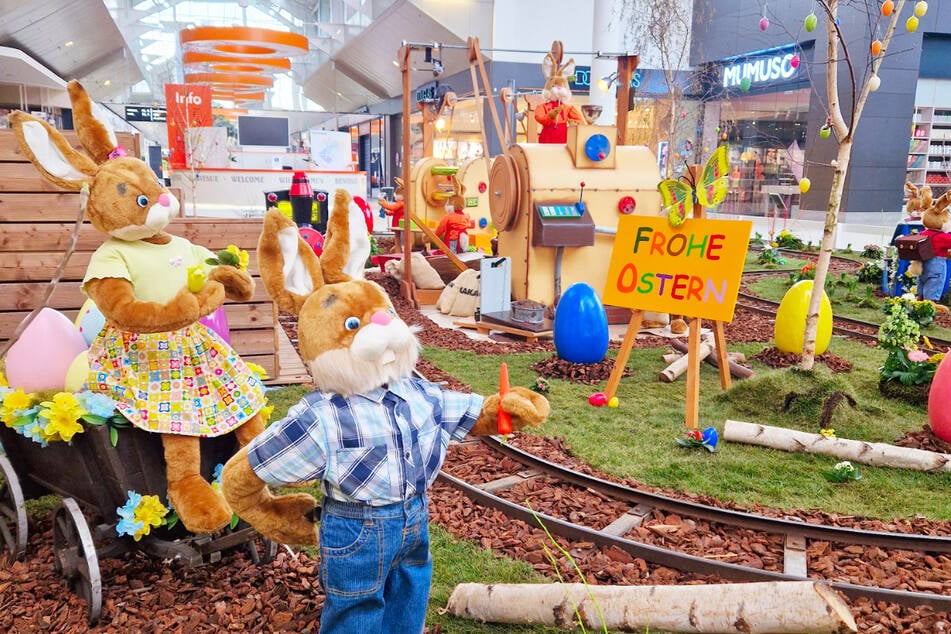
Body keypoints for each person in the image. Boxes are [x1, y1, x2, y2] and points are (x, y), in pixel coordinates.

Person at [377, 177, 405, 251]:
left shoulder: (401, 203)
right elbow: (394, 211)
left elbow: (393, 208)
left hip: (400, 222)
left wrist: (384, 204)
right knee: (397, 235)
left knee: (399, 236)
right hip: (397, 221)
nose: (395, 196)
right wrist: (387, 212)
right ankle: (397, 246)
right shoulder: (400, 203)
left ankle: (399, 247)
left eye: (397, 194)